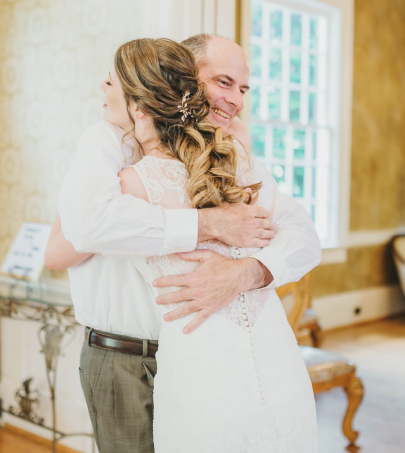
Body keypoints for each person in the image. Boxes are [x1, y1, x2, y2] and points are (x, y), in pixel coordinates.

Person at [45, 36, 321, 453]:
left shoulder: (229, 154)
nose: (235, 100)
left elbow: (298, 232)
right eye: (223, 82)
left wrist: (245, 272)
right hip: (123, 354)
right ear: (184, 78)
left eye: (243, 89)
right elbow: (66, 245)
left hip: (209, 356)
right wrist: (207, 223)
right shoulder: (112, 142)